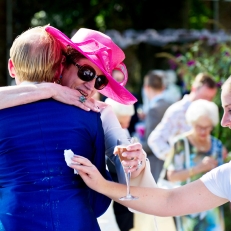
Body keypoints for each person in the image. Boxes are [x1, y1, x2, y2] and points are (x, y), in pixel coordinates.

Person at [60, 76, 231, 220]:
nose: (224, 122)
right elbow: (168, 201)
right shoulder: (226, 175)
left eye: (230, 110)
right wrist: (101, 184)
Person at [1, 25, 111, 231]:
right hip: (76, 223)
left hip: (13, 222)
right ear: (59, 67)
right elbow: (98, 200)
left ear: (11, 67)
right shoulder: (88, 115)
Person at [166, 99, 225, 231]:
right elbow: (172, 176)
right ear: (192, 123)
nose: (203, 131)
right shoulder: (180, 144)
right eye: (199, 126)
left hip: (212, 210)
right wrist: (198, 168)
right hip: (188, 209)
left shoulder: (217, 146)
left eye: (207, 127)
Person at [148, 73, 218, 162]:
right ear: (194, 89)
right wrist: (176, 159)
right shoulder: (177, 111)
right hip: (180, 173)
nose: (207, 101)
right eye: (204, 96)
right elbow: (154, 139)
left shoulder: (208, 112)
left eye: (211, 98)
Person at [141, 71, 172, 182]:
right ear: (163, 87)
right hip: (169, 160)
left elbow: (150, 143)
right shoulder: (170, 104)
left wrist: (133, 146)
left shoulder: (153, 109)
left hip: (156, 163)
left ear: (146, 87)